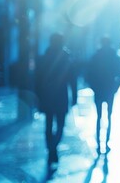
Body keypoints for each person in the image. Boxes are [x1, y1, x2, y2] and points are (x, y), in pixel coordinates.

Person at [35, 33, 77, 166]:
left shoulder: (44, 57)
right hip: (61, 97)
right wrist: (74, 96)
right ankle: (53, 149)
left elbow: (37, 79)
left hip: (47, 96)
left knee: (48, 125)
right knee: (60, 125)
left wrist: (38, 96)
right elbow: (72, 80)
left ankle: (51, 150)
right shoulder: (66, 58)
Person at [86, 36, 120, 154]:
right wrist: (115, 88)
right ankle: (106, 142)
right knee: (109, 117)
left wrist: (94, 87)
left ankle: (98, 143)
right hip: (109, 90)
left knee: (99, 117)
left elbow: (88, 74)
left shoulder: (96, 57)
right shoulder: (114, 57)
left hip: (99, 91)